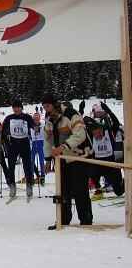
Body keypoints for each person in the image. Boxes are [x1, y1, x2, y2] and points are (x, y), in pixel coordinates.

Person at [42, 96, 93, 229]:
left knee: (80, 190)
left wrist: (63, 146)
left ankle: (86, 220)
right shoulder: (48, 120)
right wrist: (47, 160)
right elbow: (48, 141)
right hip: (61, 159)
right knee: (62, 190)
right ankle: (63, 220)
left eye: (47, 106)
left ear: (54, 105)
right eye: (44, 107)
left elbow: (80, 135)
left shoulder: (71, 114)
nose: (46, 109)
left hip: (79, 157)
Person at [86, 103, 124, 200]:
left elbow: (116, 123)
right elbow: (82, 123)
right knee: (89, 167)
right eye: (95, 133)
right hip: (98, 163)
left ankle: (126, 182)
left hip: (111, 163)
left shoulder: (109, 133)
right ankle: (98, 190)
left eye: (99, 132)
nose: (98, 135)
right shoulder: (90, 136)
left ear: (102, 129)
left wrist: (109, 111)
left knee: (119, 192)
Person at [2, 100, 35, 199]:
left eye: (18, 107)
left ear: (21, 108)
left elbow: (33, 126)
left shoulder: (27, 117)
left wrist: (36, 127)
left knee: (27, 165)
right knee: (11, 165)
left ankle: (29, 184)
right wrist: (0, 129)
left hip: (24, 143)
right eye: (15, 108)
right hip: (13, 144)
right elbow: (3, 128)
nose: (16, 109)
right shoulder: (9, 118)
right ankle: (12, 185)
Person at [30, 112, 46, 185]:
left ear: (39, 118)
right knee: (31, 161)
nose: (36, 120)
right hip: (33, 143)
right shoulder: (31, 125)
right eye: (35, 119)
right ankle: (31, 176)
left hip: (41, 142)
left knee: (41, 161)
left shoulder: (43, 124)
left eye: (37, 118)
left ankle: (42, 176)